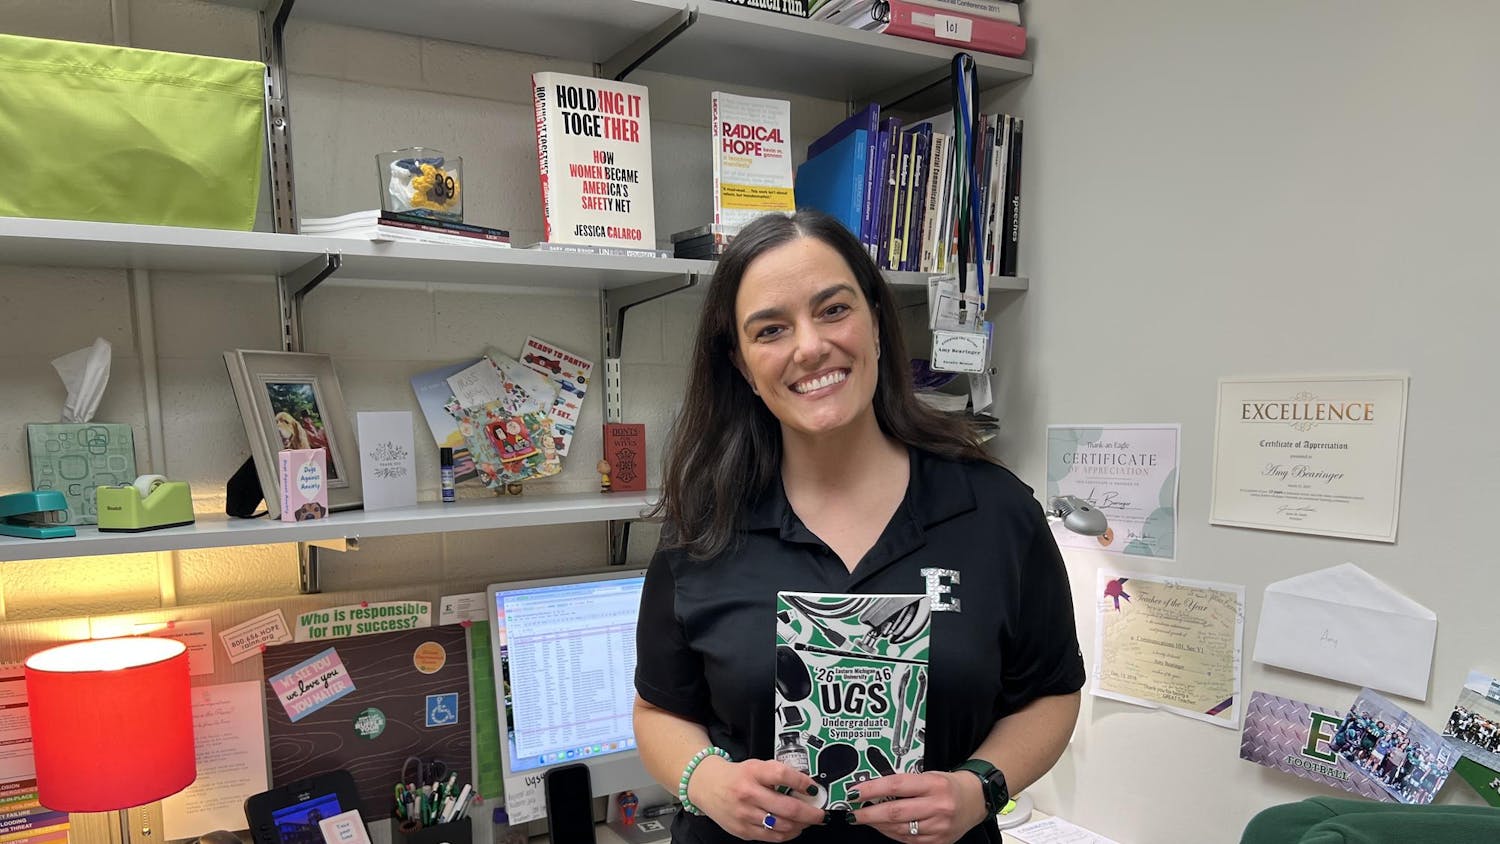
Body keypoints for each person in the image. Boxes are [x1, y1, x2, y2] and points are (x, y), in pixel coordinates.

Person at [633, 210, 1085, 844]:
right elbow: (659, 709)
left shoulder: (995, 510)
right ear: (740, 363)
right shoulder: (703, 527)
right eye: (770, 329)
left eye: (833, 310)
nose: (810, 346)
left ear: (875, 320)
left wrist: (979, 787)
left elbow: (1053, 694)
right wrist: (705, 782)